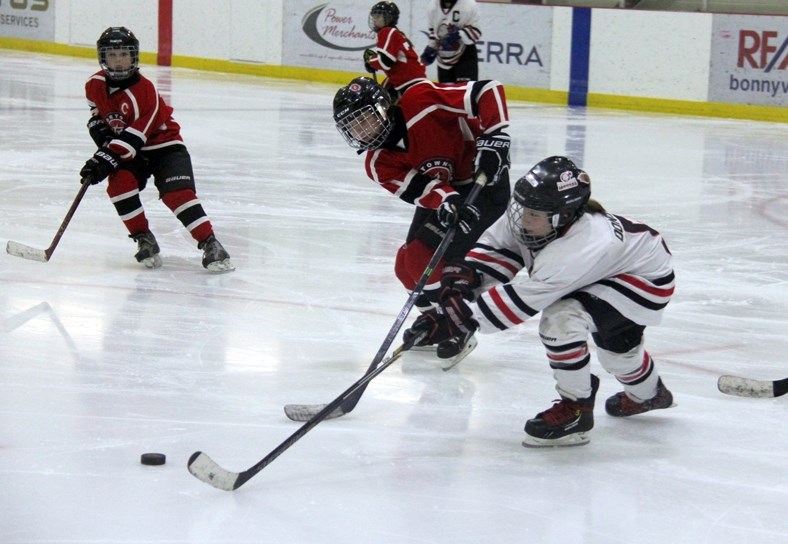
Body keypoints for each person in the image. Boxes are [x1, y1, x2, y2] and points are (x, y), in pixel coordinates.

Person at [405, 156, 676, 447]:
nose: (523, 218)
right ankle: (650, 395)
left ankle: (577, 410)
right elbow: (499, 248)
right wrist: (464, 283)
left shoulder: (581, 245)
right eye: (523, 208)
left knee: (561, 320)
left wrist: (455, 320)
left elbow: (518, 302)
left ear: (564, 214)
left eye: (533, 213)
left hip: (641, 280)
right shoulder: (536, 214)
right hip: (609, 267)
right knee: (619, 353)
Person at [332, 76, 511, 367]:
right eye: (353, 125)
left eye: (365, 119)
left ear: (383, 108)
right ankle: (437, 320)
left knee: (420, 258)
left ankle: (457, 324)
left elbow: (488, 90)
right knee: (405, 264)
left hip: (485, 184)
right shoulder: (378, 163)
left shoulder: (420, 100)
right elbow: (423, 189)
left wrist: (497, 137)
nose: (361, 130)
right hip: (451, 195)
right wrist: (447, 199)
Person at [80, 26, 234, 272]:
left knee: (177, 194)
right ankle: (144, 238)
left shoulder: (145, 91)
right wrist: (99, 130)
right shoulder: (94, 85)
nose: (118, 61)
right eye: (112, 55)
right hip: (132, 149)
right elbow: (97, 112)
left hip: (164, 146)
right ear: (103, 57)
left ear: (134, 56)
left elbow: (134, 139)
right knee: (119, 186)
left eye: (123, 55)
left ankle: (211, 243)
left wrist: (104, 158)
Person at [363, 2, 428, 100]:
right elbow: (394, 63)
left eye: (378, 15)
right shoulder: (398, 33)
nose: (375, 18)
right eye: (374, 15)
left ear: (389, 17)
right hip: (416, 81)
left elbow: (385, 62)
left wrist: (370, 60)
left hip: (409, 84)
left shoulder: (387, 31)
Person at [420, 0, 482, 83]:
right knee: (446, 94)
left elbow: (476, 32)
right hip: (443, 59)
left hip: (465, 55)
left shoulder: (469, 5)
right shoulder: (432, 6)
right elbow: (433, 32)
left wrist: (458, 34)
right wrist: (431, 48)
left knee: (465, 93)